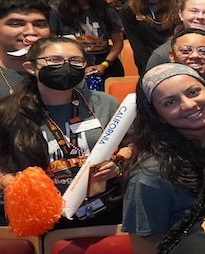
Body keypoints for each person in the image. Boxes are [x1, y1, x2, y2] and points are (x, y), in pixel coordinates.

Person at [0, 37, 123, 224]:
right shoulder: (8, 112)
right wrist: (13, 183)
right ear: (31, 67)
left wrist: (117, 164)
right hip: (41, 213)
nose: (66, 66)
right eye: (54, 60)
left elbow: (132, 145)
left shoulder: (105, 103)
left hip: (105, 206)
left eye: (75, 61)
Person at [51, 0, 125, 79]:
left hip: (106, 64)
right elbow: (51, 42)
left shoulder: (106, 9)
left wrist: (105, 64)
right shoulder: (56, 10)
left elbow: (118, 43)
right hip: (71, 63)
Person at [119, 0, 180, 75]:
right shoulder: (129, 10)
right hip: (146, 63)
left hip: (175, 60)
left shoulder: (177, 6)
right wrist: (148, 68)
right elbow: (136, 44)